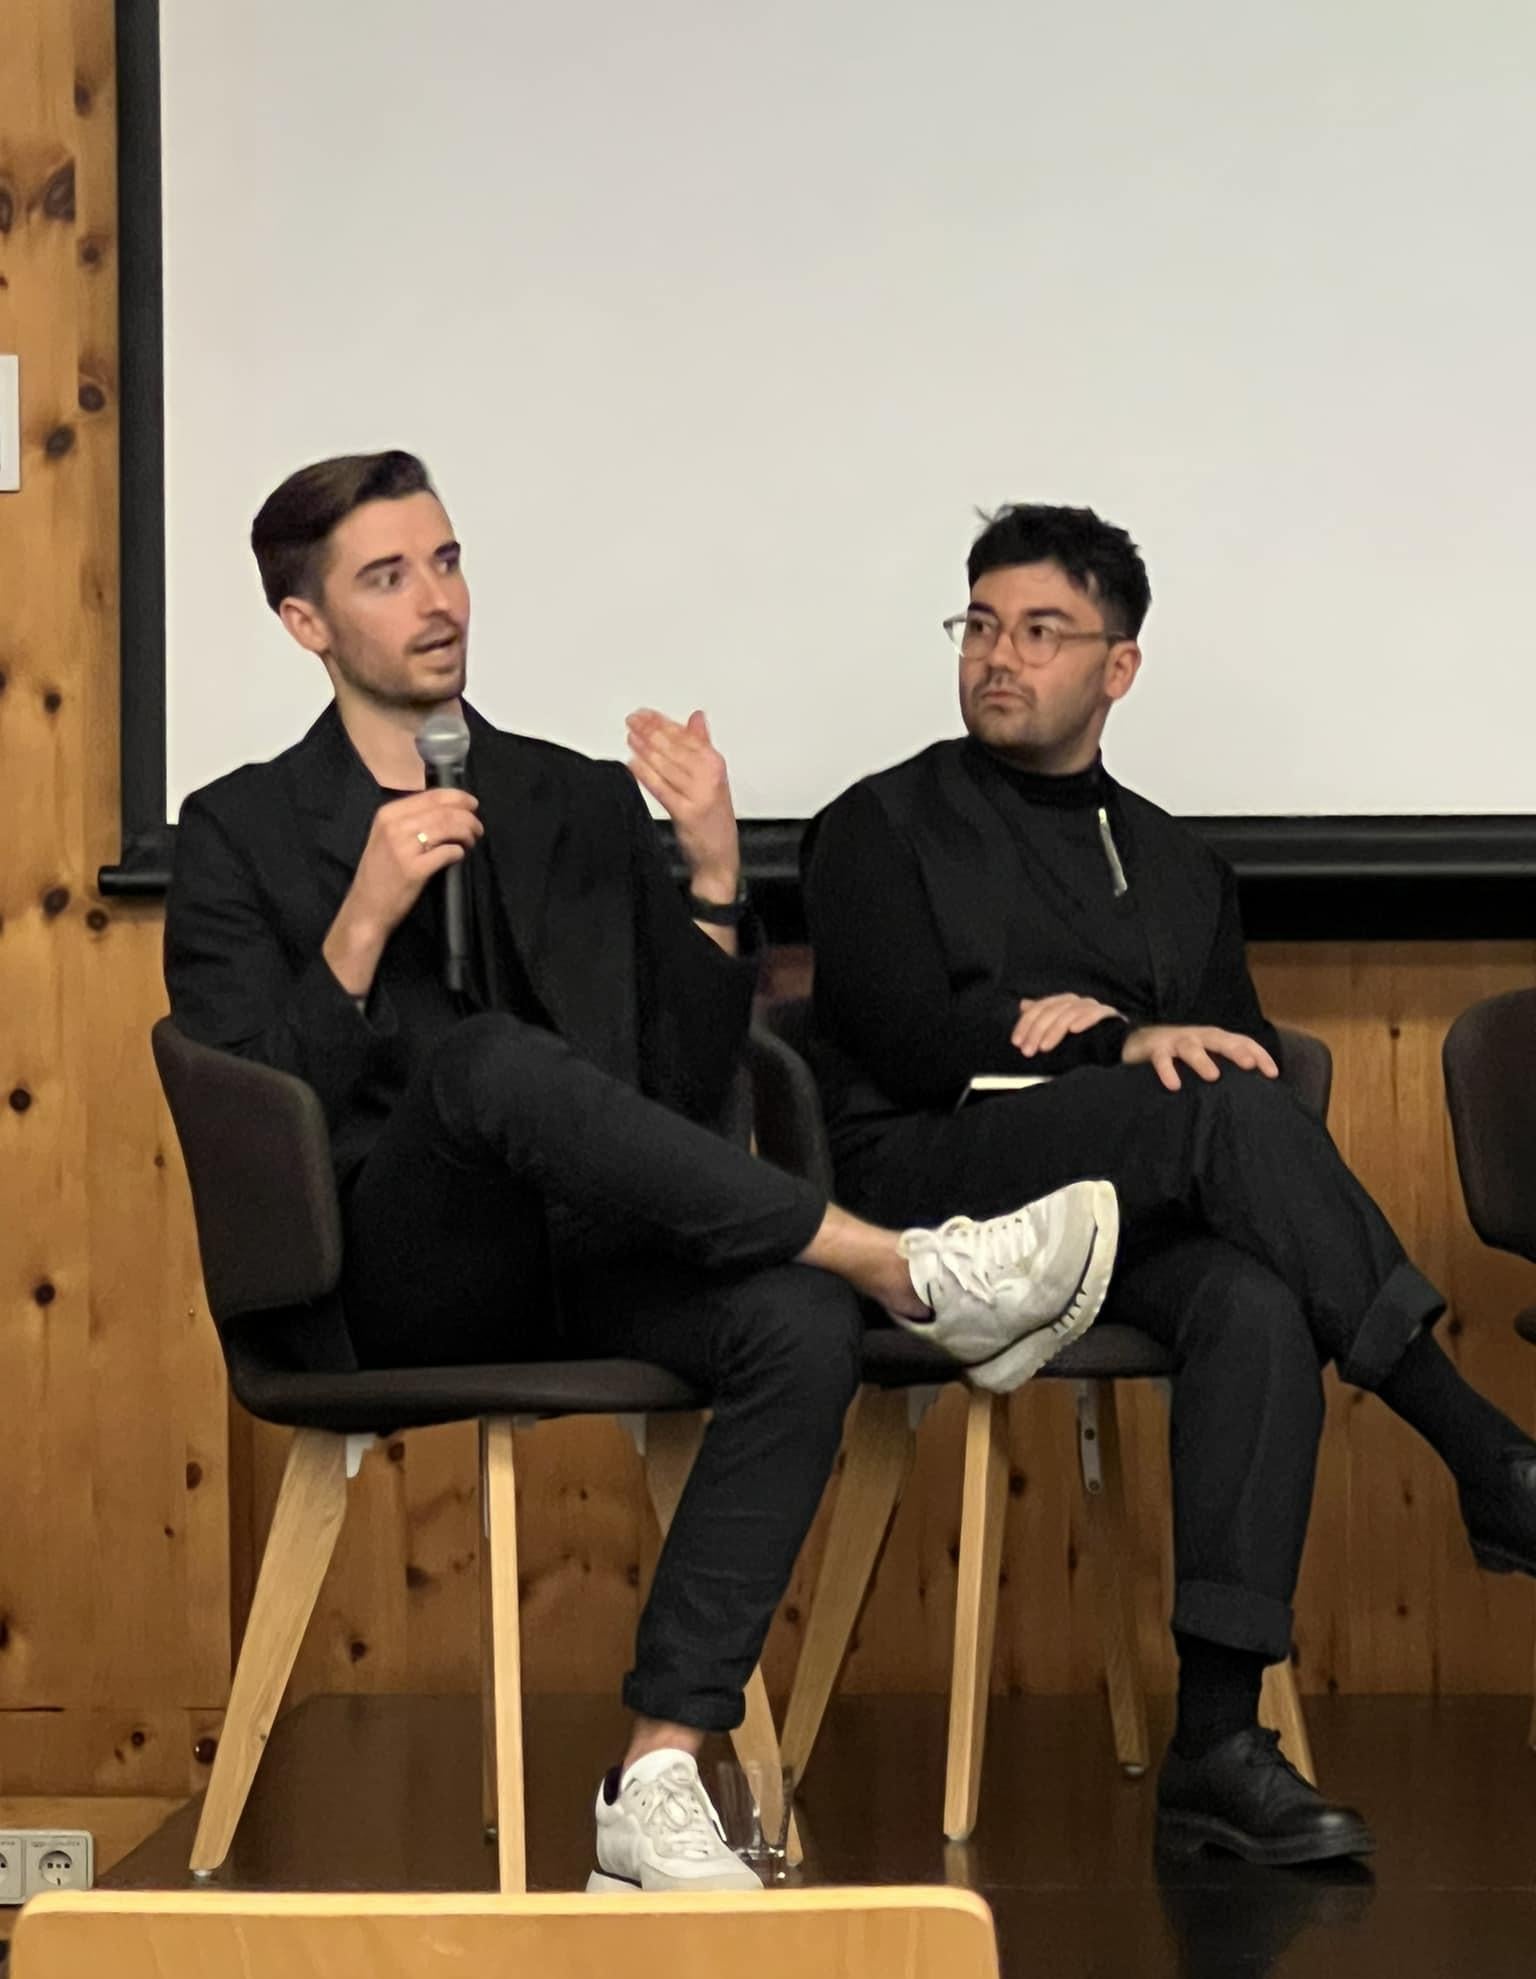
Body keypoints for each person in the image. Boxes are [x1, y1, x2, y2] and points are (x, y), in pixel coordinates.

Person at [163, 454, 1120, 1894]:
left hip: (595, 1249)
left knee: (793, 1327)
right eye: (387, 577)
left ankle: (656, 1772)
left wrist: (718, 882)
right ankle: (902, 1263)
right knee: (482, 1067)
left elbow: (677, 1095)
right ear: (306, 625)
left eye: (447, 560)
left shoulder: (569, 800)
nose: (439, 603)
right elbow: (255, 1104)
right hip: (386, 1273)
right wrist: (361, 923)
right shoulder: (237, 830)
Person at [803, 501, 1536, 1866]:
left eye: (1038, 630)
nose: (996, 657)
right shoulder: (876, 826)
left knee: (1254, 1298)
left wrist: (1130, 1046)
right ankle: (1480, 1449)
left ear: (1117, 668)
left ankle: (1216, 1743)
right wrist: (1108, 1035)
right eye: (978, 625)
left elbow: (1233, 1046)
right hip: (930, 1197)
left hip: (1120, 1212)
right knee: (1209, 1113)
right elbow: (900, 1037)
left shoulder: (1183, 865)